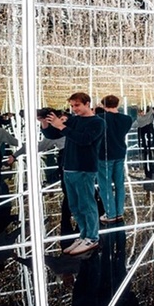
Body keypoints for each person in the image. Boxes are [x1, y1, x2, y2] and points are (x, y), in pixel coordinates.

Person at [42, 92, 105, 256]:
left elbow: (84, 139)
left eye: (77, 105)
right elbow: (53, 134)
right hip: (69, 167)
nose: (74, 108)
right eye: (72, 105)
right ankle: (83, 234)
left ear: (87, 103)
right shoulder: (73, 120)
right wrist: (45, 123)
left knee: (87, 204)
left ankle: (92, 237)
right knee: (75, 206)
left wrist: (62, 126)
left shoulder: (97, 122)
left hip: (84, 168)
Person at [96, 95, 133, 224]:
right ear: (117, 104)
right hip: (120, 152)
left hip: (104, 154)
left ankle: (110, 213)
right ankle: (119, 212)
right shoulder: (127, 119)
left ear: (103, 105)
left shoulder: (100, 118)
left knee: (105, 185)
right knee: (119, 183)